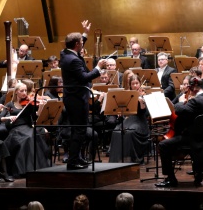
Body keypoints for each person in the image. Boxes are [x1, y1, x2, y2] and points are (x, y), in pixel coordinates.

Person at [156, 77, 203, 187]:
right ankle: (198, 174)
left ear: (194, 88)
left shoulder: (196, 101)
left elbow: (179, 110)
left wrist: (181, 101)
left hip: (191, 138)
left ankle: (171, 178)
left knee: (163, 145)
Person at [60, 30, 105, 170]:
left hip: (72, 98)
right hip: (77, 98)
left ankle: (77, 157)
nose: (82, 44)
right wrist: (98, 67)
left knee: (78, 130)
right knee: (79, 130)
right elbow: (84, 77)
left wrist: (85, 34)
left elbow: (76, 45)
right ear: (77, 44)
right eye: (81, 42)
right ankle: (73, 161)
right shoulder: (73, 60)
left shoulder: (65, 53)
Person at [108, 74, 150, 163]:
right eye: (133, 84)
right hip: (129, 120)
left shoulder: (144, 95)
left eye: (137, 83)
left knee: (130, 132)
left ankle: (134, 158)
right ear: (130, 85)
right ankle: (119, 159)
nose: (135, 86)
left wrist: (141, 101)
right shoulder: (128, 96)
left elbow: (144, 113)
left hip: (140, 122)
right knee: (116, 131)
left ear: (140, 84)